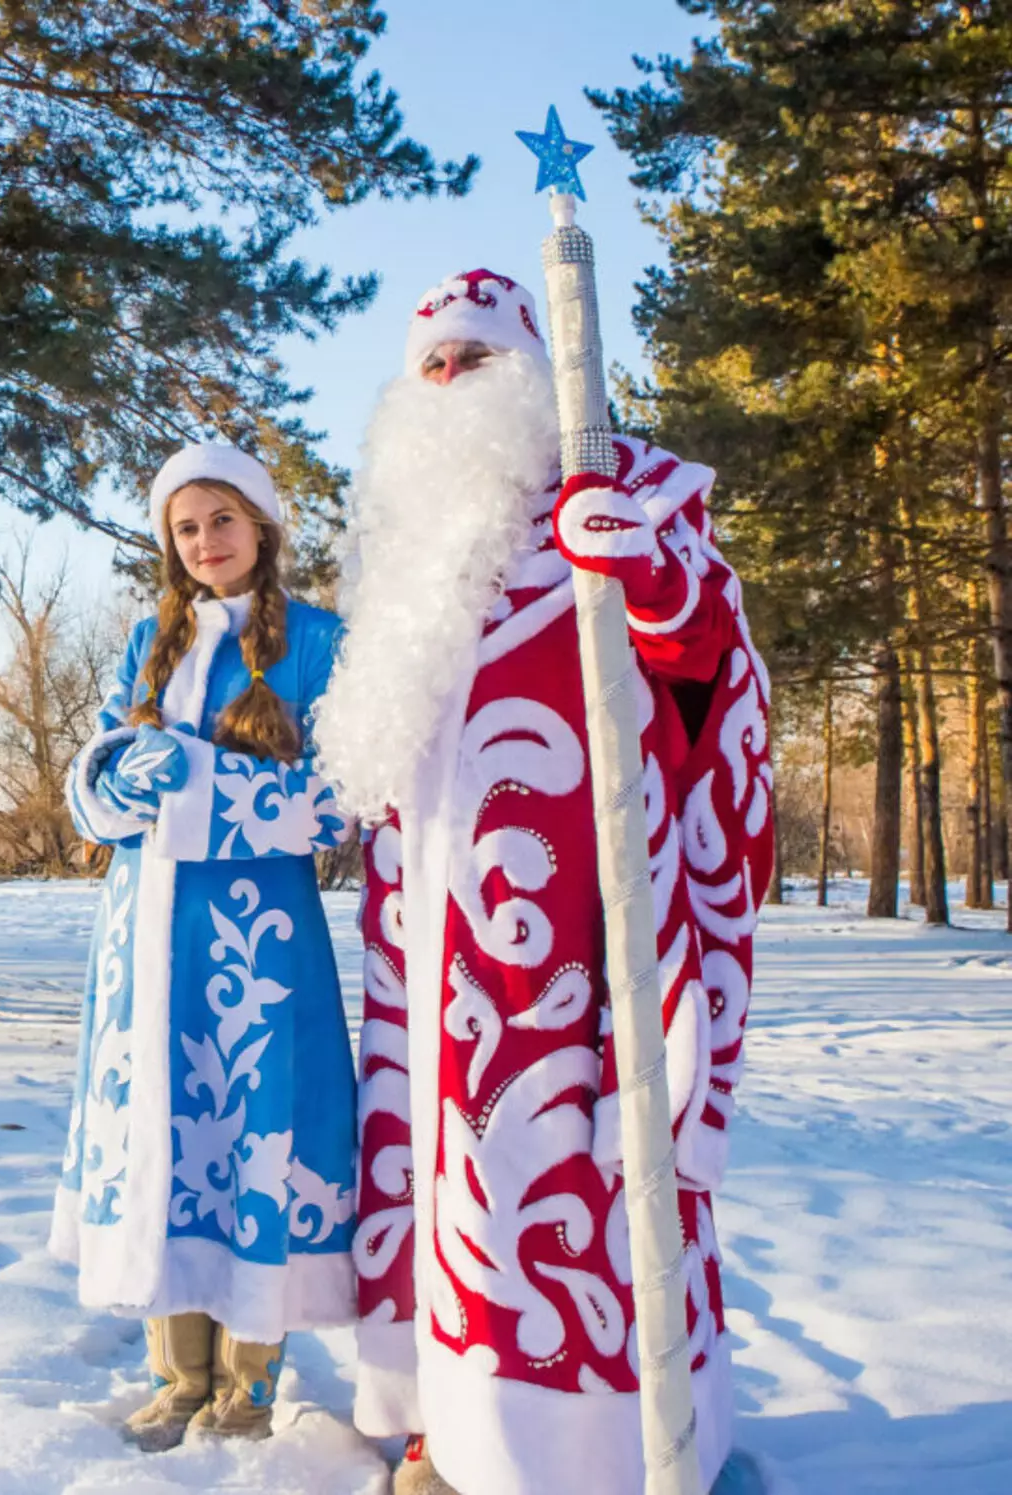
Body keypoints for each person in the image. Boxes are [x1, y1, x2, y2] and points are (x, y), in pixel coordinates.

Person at [314, 270, 775, 1495]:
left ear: (536, 372)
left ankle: (601, 1456)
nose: (453, 383)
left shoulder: (631, 503)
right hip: (429, 961)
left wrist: (656, 586)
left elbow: (708, 679)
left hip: (581, 954)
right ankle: (446, 1429)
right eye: (432, 367)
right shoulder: (408, 571)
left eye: (478, 358)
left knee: (579, 1189)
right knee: (438, 1186)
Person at [51, 441, 358, 1450]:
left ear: (263, 526)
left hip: (260, 953)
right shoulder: (147, 636)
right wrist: (112, 781)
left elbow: (339, 807)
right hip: (142, 942)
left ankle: (249, 1379)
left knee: (250, 1130)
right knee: (159, 1135)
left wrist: (190, 787)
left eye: (222, 520)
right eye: (186, 527)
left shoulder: (319, 642)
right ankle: (175, 1371)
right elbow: (91, 779)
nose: (205, 541)